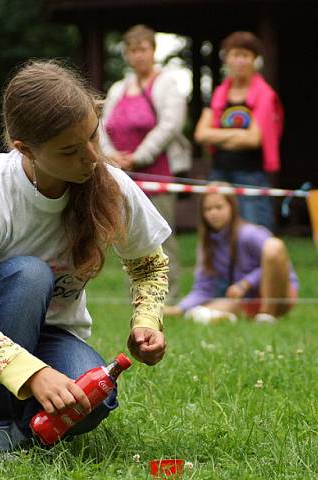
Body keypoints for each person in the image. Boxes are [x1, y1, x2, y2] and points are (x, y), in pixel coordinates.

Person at [0, 60, 170, 453]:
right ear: (25, 150)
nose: (90, 158)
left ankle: (17, 428)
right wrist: (34, 375)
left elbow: (149, 265)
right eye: (70, 150)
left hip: (46, 336)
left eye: (92, 137)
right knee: (30, 274)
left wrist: (146, 321)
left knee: (94, 396)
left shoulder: (111, 186)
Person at [101, 24, 190, 306]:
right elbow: (102, 125)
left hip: (158, 174)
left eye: (143, 49)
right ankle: (140, 297)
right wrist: (111, 156)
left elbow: (170, 125)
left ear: (153, 51)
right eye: (132, 50)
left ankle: (170, 297)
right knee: (130, 239)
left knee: (163, 238)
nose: (138, 55)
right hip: (123, 176)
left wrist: (138, 156)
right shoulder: (119, 88)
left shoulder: (166, 84)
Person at [164, 186, 298, 323]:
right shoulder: (207, 244)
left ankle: (267, 315)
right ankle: (240, 317)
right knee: (196, 314)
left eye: (219, 207)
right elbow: (203, 288)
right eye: (207, 209)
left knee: (273, 245)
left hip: (280, 294)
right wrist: (180, 309)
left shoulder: (250, 233)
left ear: (232, 207)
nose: (213, 213)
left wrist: (245, 284)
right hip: (247, 299)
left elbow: (277, 261)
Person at [194, 31, 283, 232]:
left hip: (251, 174)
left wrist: (217, 136)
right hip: (219, 171)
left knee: (255, 231)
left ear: (254, 59)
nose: (239, 61)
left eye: (245, 55)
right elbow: (201, 134)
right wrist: (237, 135)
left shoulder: (265, 94)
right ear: (227, 58)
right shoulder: (219, 93)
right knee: (218, 230)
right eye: (235, 55)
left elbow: (253, 139)